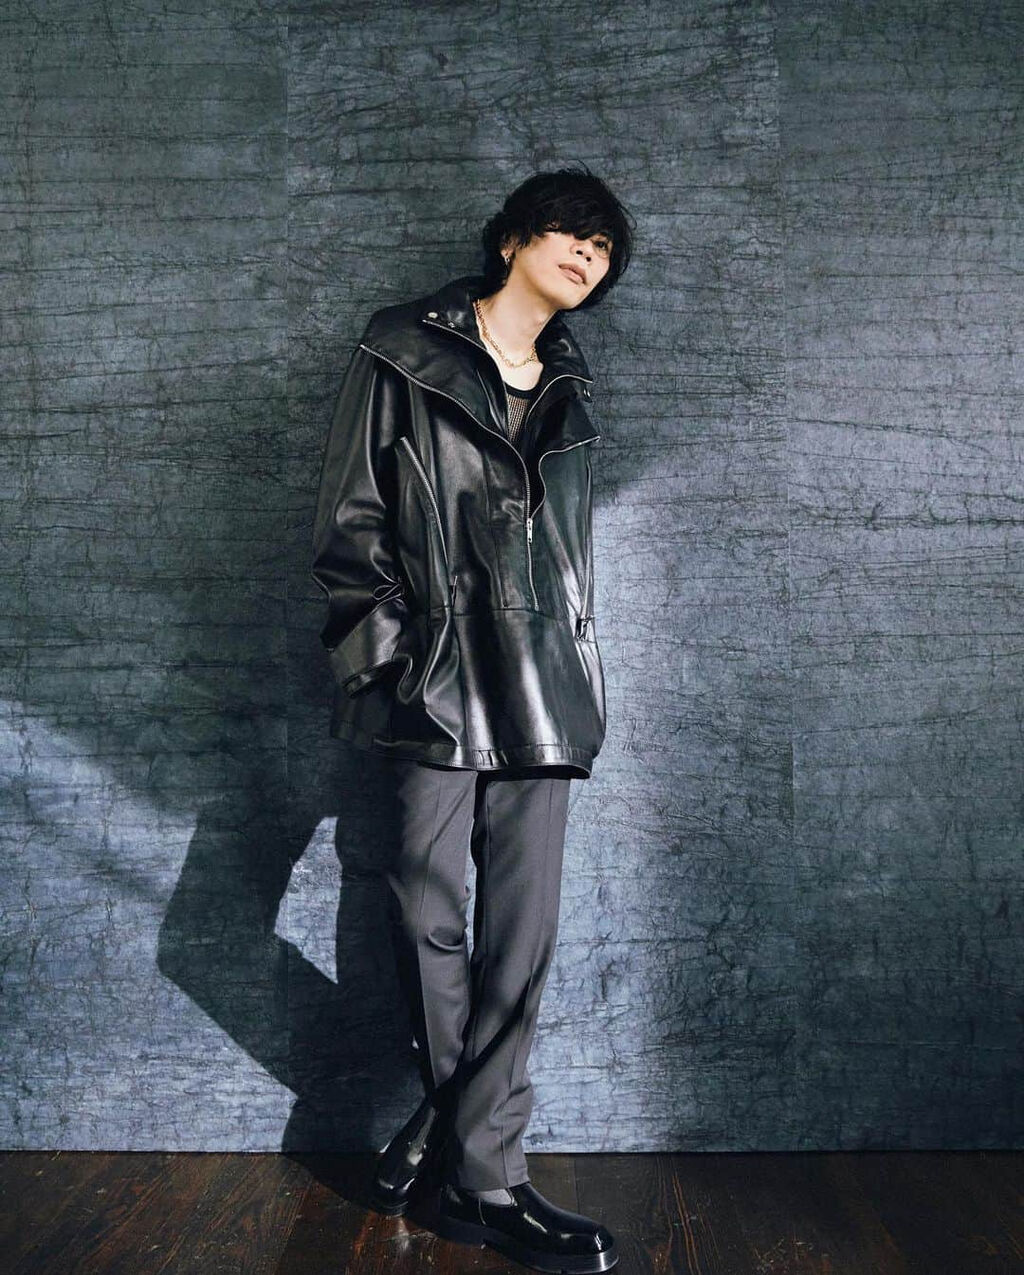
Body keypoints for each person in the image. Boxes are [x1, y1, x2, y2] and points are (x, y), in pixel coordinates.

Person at [310, 165, 634, 1273]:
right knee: (420, 903)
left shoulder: (572, 393)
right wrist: (389, 664)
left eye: (603, 248)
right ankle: (464, 1136)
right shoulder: (401, 349)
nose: (586, 254)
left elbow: (567, 563)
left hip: (546, 683)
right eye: (570, 232)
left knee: (521, 937)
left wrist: (581, 670)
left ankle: (484, 1177)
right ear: (510, 240)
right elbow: (349, 528)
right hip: (435, 676)